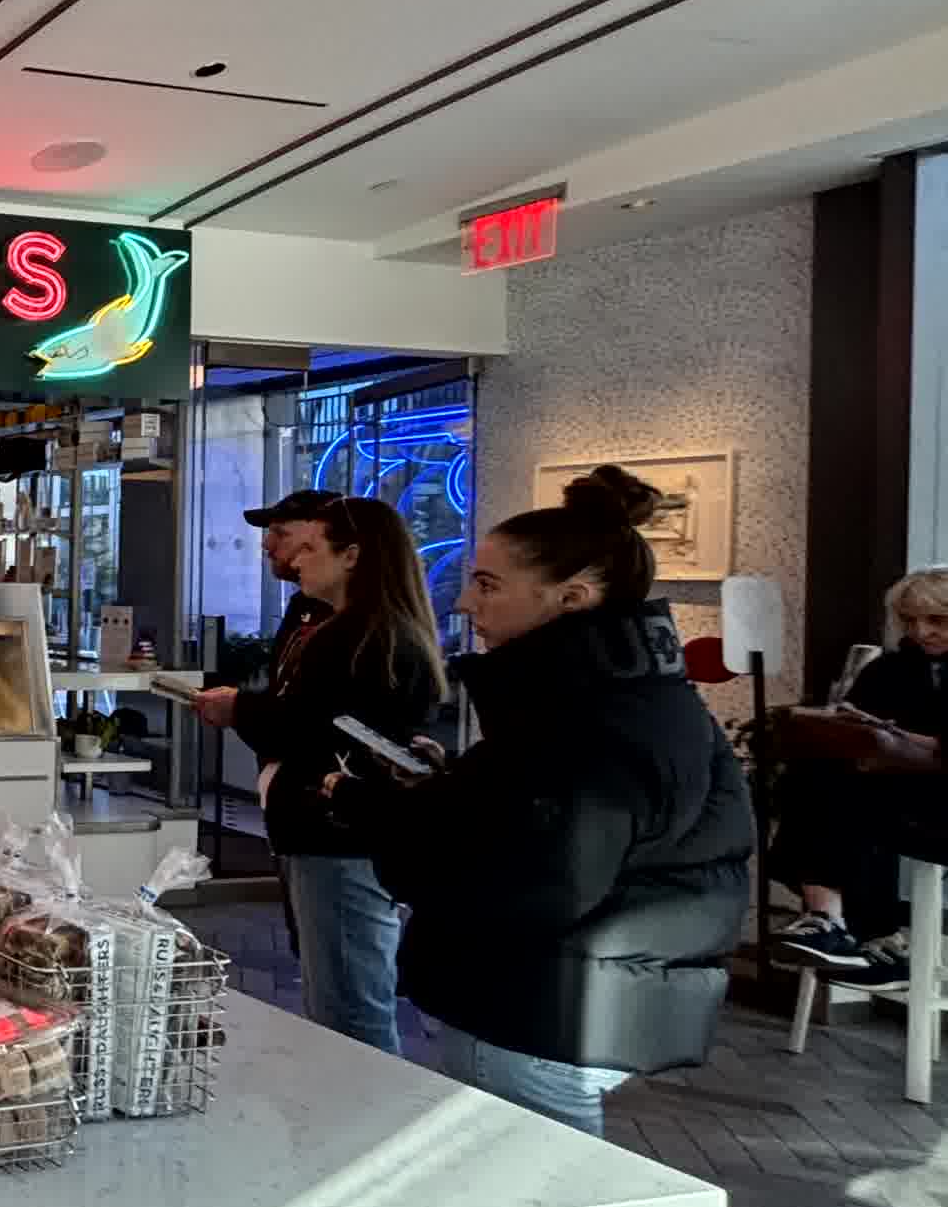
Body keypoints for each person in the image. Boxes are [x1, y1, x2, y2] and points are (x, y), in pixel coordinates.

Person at [342, 466, 751, 1136]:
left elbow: (532, 880)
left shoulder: (579, 719)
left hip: (532, 1009)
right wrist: (452, 789)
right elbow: (553, 828)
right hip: (572, 997)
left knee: (533, 1184)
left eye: (487, 584)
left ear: (571, 597)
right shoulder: (634, 699)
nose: (464, 603)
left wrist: (382, 814)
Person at [246, 498, 445, 1054]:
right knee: (343, 995)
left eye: (309, 548)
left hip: (336, 836)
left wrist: (245, 712)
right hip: (341, 833)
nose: (295, 560)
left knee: (349, 1011)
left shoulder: (358, 639)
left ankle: (361, 1103)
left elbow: (303, 731)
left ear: (352, 556)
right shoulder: (374, 633)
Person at [769, 568, 948, 983]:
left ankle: (854, 931)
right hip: (894, 796)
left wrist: (894, 737)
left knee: (847, 795)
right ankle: (837, 923)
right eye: (910, 620)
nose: (921, 632)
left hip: (938, 804)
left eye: (937, 620)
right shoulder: (890, 668)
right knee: (820, 771)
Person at [190, 489, 338, 741]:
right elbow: (287, 703)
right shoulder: (302, 605)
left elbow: (317, 720)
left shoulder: (360, 623)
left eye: (281, 533)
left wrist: (240, 709)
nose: (266, 544)